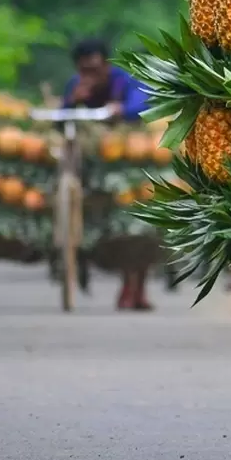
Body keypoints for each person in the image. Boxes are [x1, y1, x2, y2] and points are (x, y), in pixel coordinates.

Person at [62, 37, 155, 312]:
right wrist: (73, 103)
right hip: (90, 165)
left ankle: (136, 286)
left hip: (127, 165)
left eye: (95, 69)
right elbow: (60, 119)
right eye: (84, 70)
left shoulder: (124, 82)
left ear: (105, 65)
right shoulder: (74, 86)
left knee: (139, 223)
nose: (90, 76)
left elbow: (144, 106)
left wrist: (121, 112)